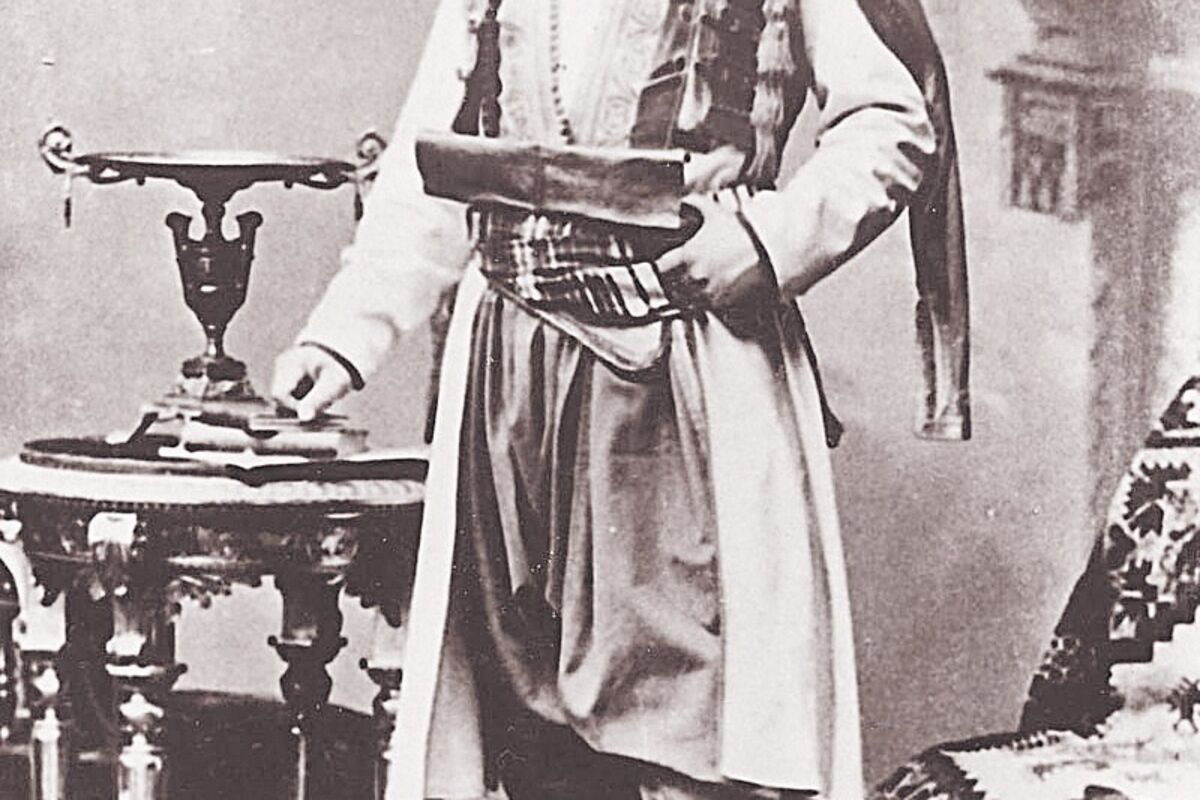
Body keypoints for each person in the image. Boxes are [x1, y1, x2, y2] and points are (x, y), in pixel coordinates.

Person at [272, 1, 970, 798]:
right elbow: (431, 159)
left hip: (680, 375)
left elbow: (892, 120)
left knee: (682, 727)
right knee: (527, 730)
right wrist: (346, 335)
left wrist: (767, 242)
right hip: (509, 376)